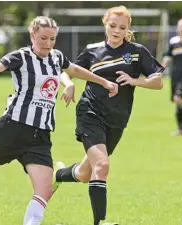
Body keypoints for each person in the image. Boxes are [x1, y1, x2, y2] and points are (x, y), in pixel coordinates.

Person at [0, 16, 118, 225]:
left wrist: (103, 81)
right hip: (11, 129)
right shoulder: (21, 57)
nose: (48, 43)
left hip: (39, 136)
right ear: (32, 35)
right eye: (43, 38)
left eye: (52, 39)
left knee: (44, 190)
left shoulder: (56, 57)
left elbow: (74, 70)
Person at [53, 6, 164, 225]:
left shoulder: (137, 51)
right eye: (112, 25)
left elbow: (158, 81)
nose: (116, 30)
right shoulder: (92, 50)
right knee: (102, 166)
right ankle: (100, 222)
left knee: (86, 173)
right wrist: (68, 86)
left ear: (127, 29)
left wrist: (136, 81)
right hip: (90, 112)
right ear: (105, 24)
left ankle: (58, 175)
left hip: (117, 120)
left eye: (122, 27)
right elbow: (67, 71)